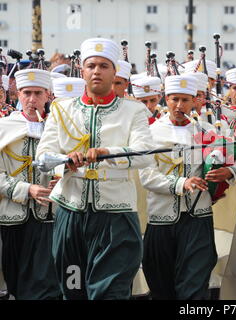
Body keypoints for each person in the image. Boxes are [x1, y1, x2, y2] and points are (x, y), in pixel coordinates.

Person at [36, 38, 153, 299]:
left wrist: (106, 153)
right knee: (73, 287)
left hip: (116, 218)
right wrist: (65, 161)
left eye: (104, 65)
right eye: (91, 66)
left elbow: (145, 155)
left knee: (109, 291)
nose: (97, 71)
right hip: (71, 215)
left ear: (115, 72)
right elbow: (42, 158)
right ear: (82, 70)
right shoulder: (61, 109)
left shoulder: (133, 111)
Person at [139, 74, 236, 299]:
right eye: (174, 99)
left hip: (198, 218)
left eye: (185, 100)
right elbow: (147, 176)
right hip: (161, 219)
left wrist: (230, 172)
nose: (179, 106)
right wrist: (182, 183)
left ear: (194, 101)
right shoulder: (150, 133)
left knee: (194, 287)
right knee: (161, 286)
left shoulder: (209, 130)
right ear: (165, 99)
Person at [0, 68, 61, 299]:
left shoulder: (57, 128)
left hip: (49, 216)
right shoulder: (4, 127)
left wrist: (62, 179)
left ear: (47, 95)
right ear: (17, 93)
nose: (32, 99)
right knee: (15, 282)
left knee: (43, 286)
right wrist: (28, 190)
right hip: (11, 218)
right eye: (26, 93)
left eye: (38, 93)